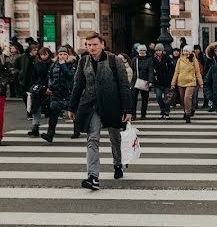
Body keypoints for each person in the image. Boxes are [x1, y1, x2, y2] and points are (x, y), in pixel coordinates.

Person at [68, 33, 133, 190]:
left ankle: (117, 164)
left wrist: (127, 109)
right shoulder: (83, 61)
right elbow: (78, 85)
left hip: (112, 105)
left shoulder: (114, 61)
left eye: (94, 44)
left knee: (115, 137)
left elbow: (124, 86)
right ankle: (93, 177)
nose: (91, 48)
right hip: (92, 106)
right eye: (88, 45)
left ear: (102, 45)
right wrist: (72, 106)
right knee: (92, 139)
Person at [42, 47, 77, 143]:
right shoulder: (54, 65)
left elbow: (70, 76)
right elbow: (50, 76)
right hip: (56, 92)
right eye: (60, 54)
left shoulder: (72, 64)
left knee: (73, 112)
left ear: (68, 55)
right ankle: (50, 134)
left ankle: (76, 130)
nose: (62, 56)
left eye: (64, 54)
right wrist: (50, 86)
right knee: (53, 113)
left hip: (68, 92)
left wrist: (63, 65)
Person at [24, 47, 53, 138]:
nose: (43, 57)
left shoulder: (52, 64)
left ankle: (51, 128)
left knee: (52, 108)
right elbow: (33, 76)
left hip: (49, 87)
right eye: (41, 55)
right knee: (36, 107)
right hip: (38, 88)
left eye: (45, 54)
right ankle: (35, 126)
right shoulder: (36, 64)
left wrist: (50, 87)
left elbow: (53, 76)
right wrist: (31, 87)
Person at [171, 45, 203, 124]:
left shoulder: (194, 60)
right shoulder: (180, 60)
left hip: (191, 82)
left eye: (187, 51)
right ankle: (185, 111)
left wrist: (201, 83)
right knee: (182, 100)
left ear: (190, 52)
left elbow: (197, 72)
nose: (185, 52)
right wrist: (173, 83)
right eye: (184, 51)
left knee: (187, 98)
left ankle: (188, 114)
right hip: (181, 82)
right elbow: (176, 72)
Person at [130, 44, 153, 120]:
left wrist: (150, 81)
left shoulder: (149, 59)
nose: (142, 52)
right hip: (135, 80)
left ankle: (143, 114)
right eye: (141, 50)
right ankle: (133, 114)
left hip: (145, 81)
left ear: (146, 51)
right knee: (133, 99)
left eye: (143, 50)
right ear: (138, 51)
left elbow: (150, 71)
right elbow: (132, 70)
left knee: (145, 99)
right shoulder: (134, 59)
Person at [152, 44, 175, 119]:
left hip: (167, 81)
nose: (158, 52)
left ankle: (167, 112)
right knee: (158, 97)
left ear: (162, 51)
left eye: (160, 50)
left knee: (167, 98)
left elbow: (171, 69)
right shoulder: (153, 59)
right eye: (157, 50)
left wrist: (172, 80)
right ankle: (162, 109)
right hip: (157, 81)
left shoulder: (167, 58)